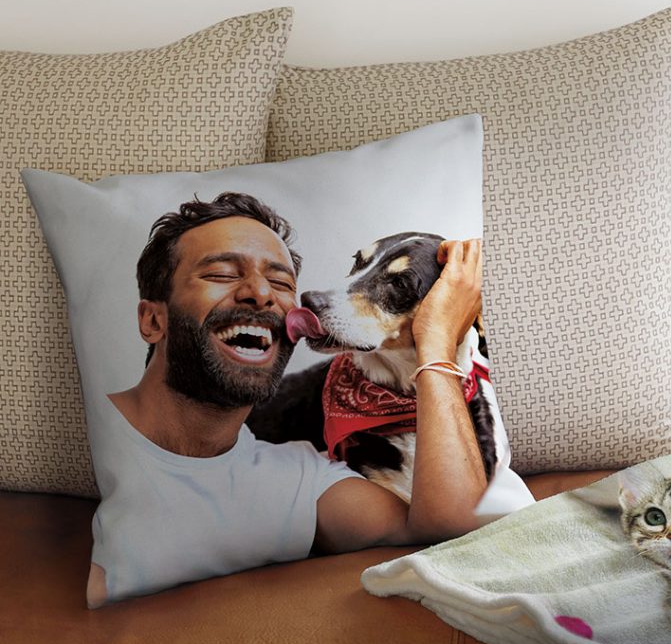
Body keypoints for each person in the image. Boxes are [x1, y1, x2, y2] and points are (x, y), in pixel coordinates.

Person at [89, 191, 488, 606]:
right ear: (154, 320)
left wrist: (439, 335)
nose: (261, 294)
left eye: (280, 283)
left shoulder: (302, 479)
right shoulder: (82, 441)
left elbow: (453, 530)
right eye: (222, 273)